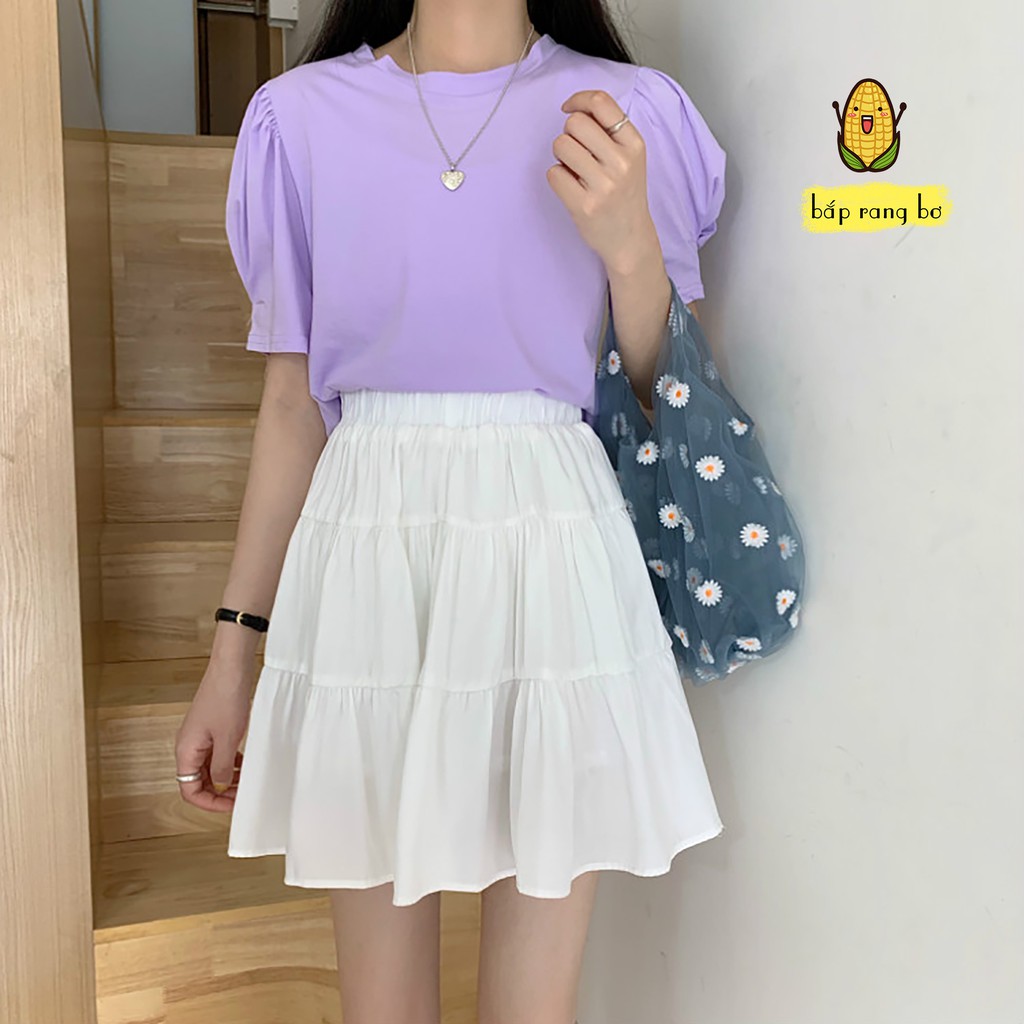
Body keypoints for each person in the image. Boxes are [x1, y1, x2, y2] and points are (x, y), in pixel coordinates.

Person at [174, 2, 727, 1021]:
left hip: (551, 534)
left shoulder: (630, 111)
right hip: (367, 541)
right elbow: (292, 405)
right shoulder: (299, 119)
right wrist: (233, 651)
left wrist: (631, 250)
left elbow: (666, 392)